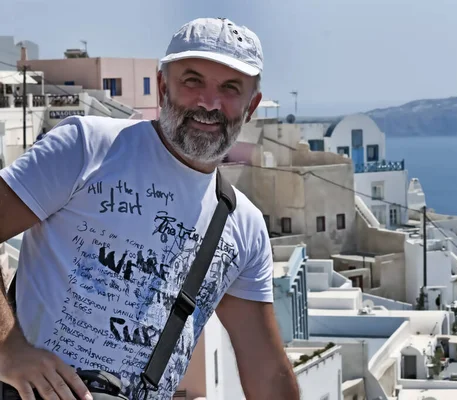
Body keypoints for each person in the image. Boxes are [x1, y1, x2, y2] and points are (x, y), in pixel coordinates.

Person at [0, 17, 300, 400]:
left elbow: (267, 374)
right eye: (193, 81)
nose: (209, 103)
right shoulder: (86, 148)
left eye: (230, 88)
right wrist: (7, 347)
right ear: (162, 86)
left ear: (252, 105)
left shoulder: (245, 226)